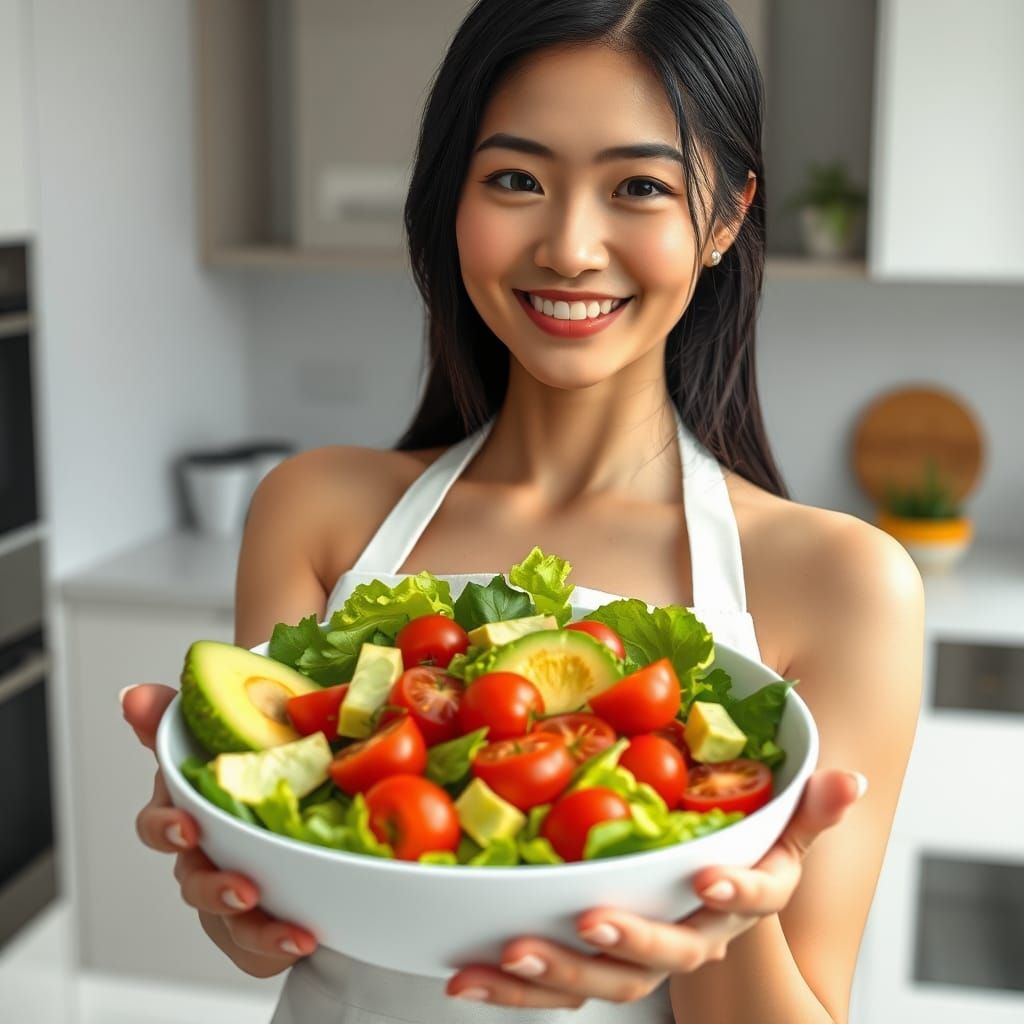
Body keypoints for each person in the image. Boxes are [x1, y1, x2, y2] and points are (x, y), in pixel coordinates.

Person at [121, 0, 924, 1020]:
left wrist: (720, 892)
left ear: (724, 218)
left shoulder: (842, 582)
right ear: (449, 197)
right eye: (514, 179)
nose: (570, 247)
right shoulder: (313, 509)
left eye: (638, 185)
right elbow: (280, 925)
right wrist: (225, 874)